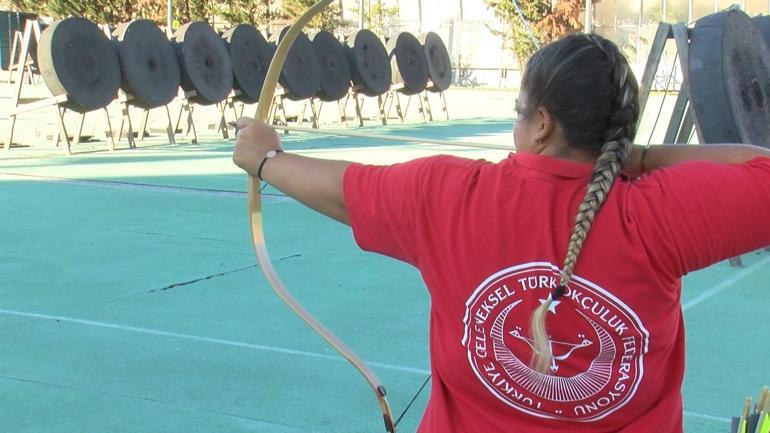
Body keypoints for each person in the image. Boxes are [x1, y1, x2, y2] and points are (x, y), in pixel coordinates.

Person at [233, 33, 770, 433]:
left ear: (542, 124)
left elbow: (339, 189)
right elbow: (760, 167)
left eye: (519, 114)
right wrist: (638, 156)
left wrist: (265, 158)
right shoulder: (659, 212)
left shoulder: (449, 194)